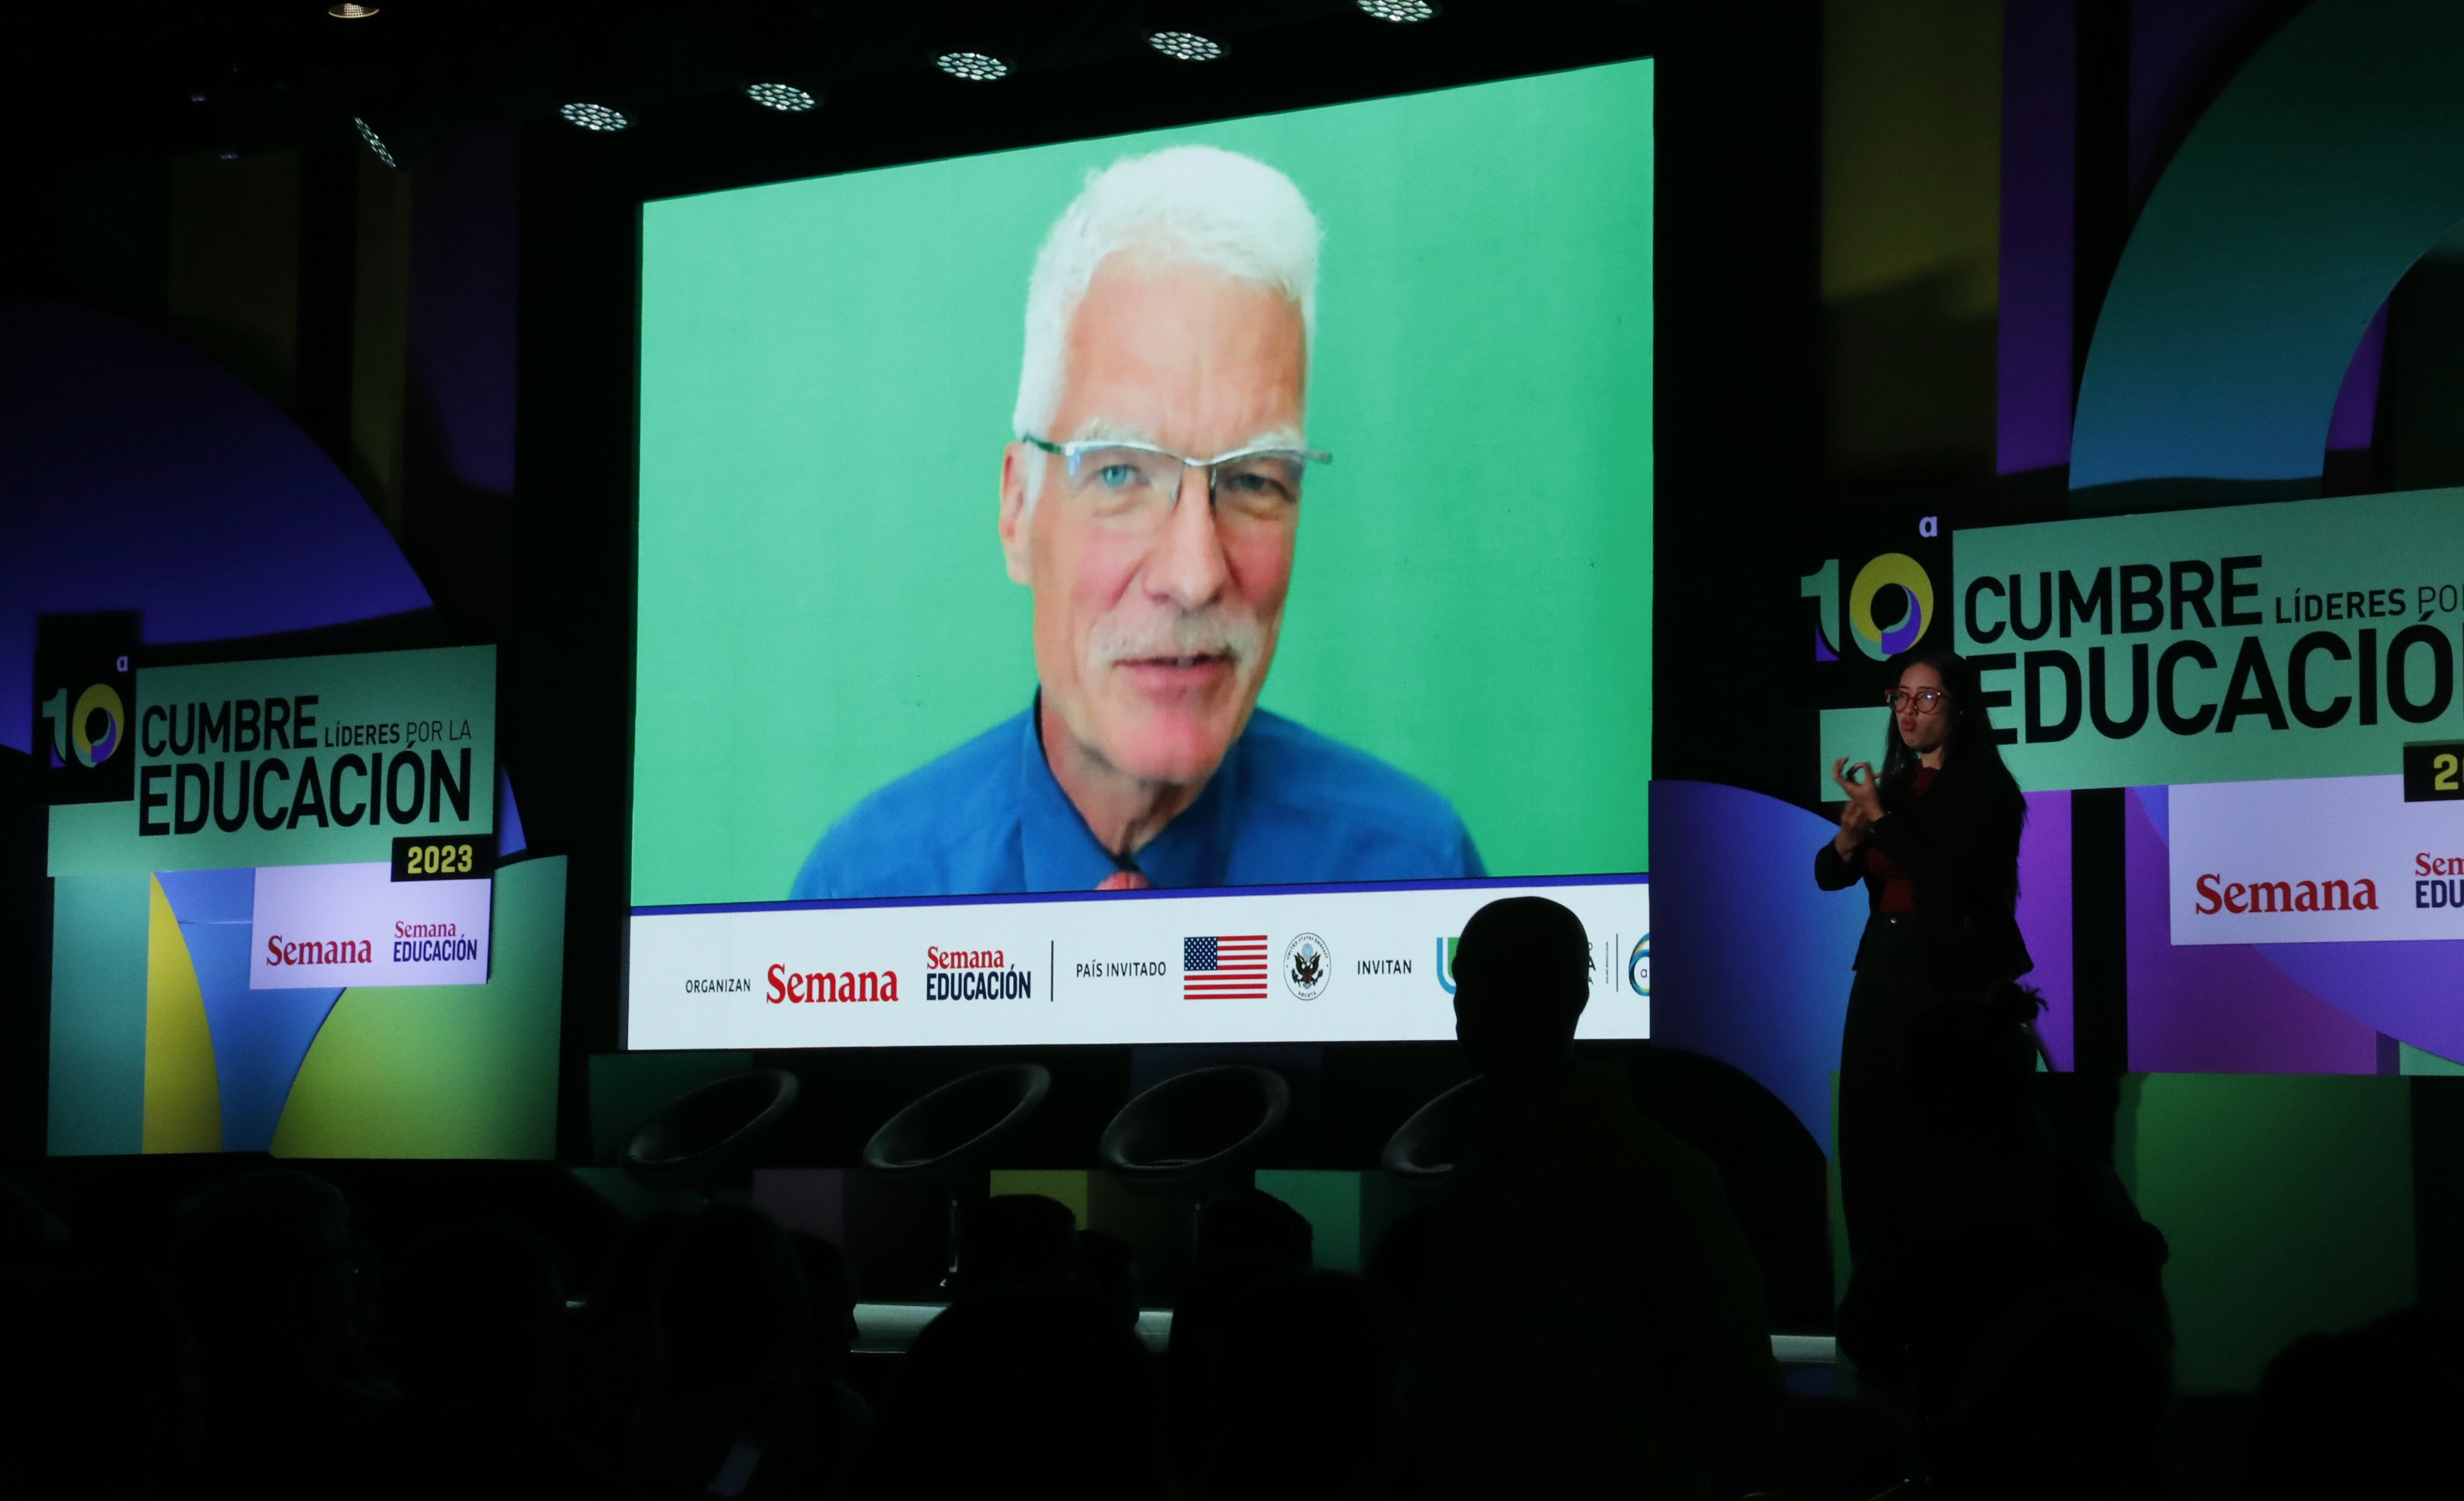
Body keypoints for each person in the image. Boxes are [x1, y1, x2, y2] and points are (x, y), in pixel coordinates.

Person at [793, 145, 1481, 899]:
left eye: (1251, 479)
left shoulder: (1414, 877)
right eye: (1120, 472)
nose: (1193, 576)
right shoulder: (863, 896)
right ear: (1018, 508)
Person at [1411, 895, 1777, 1500]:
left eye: (1498, 978)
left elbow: (1734, 1393)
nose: (1470, 1005)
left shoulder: (1651, 1175)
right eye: (1471, 978)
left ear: (1570, 996)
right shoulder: (1654, 1171)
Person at [1816, 646, 2030, 1259]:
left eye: (1927, 698)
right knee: (1868, 1129)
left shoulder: (1986, 787)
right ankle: (1876, 1292)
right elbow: (1828, 875)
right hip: (1882, 967)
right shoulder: (1898, 786)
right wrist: (1848, 840)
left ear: (1960, 710)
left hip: (1945, 974)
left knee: (1935, 1135)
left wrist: (1882, 818)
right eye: (1901, 697)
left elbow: (1947, 881)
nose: (1909, 711)